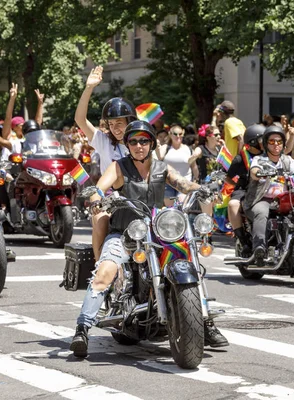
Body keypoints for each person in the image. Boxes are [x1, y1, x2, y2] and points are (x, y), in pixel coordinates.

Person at [70, 121, 228, 358]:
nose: (138, 146)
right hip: (126, 233)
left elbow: (183, 184)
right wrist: (96, 197)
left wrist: (202, 188)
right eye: (133, 141)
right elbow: (100, 187)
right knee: (104, 273)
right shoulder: (118, 167)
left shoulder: (161, 168)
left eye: (144, 141)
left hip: (156, 230)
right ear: (128, 145)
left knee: (189, 257)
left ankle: (203, 322)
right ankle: (81, 330)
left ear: (152, 143)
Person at [74, 65, 137, 259]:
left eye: (119, 123)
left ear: (130, 121)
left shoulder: (141, 141)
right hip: (109, 194)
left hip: (139, 194)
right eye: (111, 124)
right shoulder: (103, 141)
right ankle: (99, 265)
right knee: (101, 219)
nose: (115, 128)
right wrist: (89, 88)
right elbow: (81, 120)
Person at [245, 125, 294, 262]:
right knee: (262, 212)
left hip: (284, 200)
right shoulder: (259, 160)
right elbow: (254, 171)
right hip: (262, 199)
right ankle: (259, 248)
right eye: (272, 142)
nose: (276, 145)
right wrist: (260, 173)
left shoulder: (287, 160)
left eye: (279, 142)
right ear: (266, 144)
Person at [225, 124, 266, 256]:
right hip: (244, 190)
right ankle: (243, 241)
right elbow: (226, 176)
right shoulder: (240, 159)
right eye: (262, 140)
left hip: (266, 189)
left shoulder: (269, 155)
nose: (265, 142)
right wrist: (236, 184)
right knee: (233, 204)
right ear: (253, 141)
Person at [156, 125, 198, 206]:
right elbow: (159, 157)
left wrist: (195, 180)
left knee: (181, 206)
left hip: (184, 182)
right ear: (170, 134)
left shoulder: (188, 149)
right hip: (168, 183)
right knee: (170, 210)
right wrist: (157, 148)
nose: (178, 136)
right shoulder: (166, 147)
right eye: (175, 134)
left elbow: (194, 166)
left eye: (180, 134)